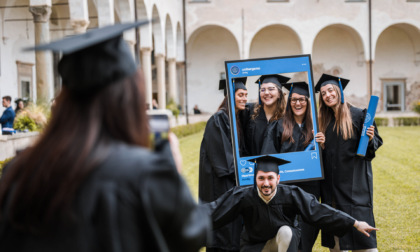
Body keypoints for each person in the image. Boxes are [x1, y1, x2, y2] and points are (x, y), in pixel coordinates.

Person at [0, 21, 210, 252]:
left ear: (64, 101)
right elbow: (193, 234)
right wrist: (173, 173)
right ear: (129, 99)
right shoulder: (146, 174)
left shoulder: (18, 172)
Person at [203, 155, 378, 252]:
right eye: (261, 178)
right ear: (254, 178)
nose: (266, 183)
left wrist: (354, 222)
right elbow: (216, 210)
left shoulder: (291, 194)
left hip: (286, 245)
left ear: (278, 178)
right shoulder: (244, 196)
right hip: (255, 247)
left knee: (287, 232)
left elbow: (318, 211)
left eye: (270, 178)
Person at [315, 73, 383, 252]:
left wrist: (369, 139)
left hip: (355, 189)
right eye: (323, 93)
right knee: (337, 244)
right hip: (332, 191)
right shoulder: (323, 121)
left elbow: (372, 148)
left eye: (330, 90)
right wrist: (320, 146)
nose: (328, 95)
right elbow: (323, 160)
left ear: (339, 91)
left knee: (365, 244)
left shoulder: (360, 115)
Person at [261, 82, 325, 251]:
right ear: (289, 103)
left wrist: (323, 145)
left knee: (307, 237)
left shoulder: (317, 128)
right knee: (288, 239)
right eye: (294, 100)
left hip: (310, 192)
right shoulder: (278, 126)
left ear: (308, 102)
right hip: (285, 192)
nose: (298, 103)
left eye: (302, 99)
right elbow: (268, 158)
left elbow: (326, 161)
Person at [199, 78, 248, 252]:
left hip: (231, 186)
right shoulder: (219, 119)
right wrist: (248, 173)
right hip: (220, 188)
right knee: (223, 237)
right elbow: (224, 163)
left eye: (246, 95)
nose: (244, 98)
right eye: (240, 94)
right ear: (230, 97)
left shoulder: (235, 119)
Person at [245, 74, 290, 156]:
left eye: (271, 89)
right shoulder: (249, 112)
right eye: (262, 90)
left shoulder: (286, 118)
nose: (266, 93)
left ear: (279, 94)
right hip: (253, 165)